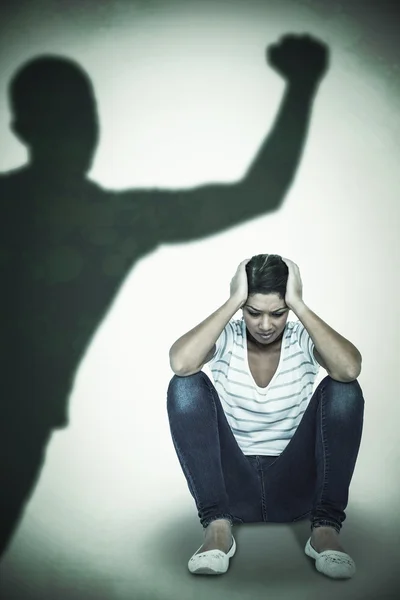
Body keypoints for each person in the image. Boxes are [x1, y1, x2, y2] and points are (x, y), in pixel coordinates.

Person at [0, 34, 328, 558]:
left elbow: (258, 193)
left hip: (26, 422)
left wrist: (300, 88)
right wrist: (301, 85)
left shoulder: (115, 220)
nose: (79, 131)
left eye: (83, 116)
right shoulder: (111, 221)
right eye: (64, 118)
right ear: (24, 128)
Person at [167, 254, 364, 579]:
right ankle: (217, 529)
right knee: (184, 385)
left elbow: (349, 368)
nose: (265, 324)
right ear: (243, 307)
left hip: (294, 484)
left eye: (278, 313)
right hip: (232, 487)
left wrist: (299, 304)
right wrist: (233, 301)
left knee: (345, 388)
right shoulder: (228, 336)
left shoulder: (300, 338)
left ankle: (325, 531)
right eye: (254, 312)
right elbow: (180, 362)